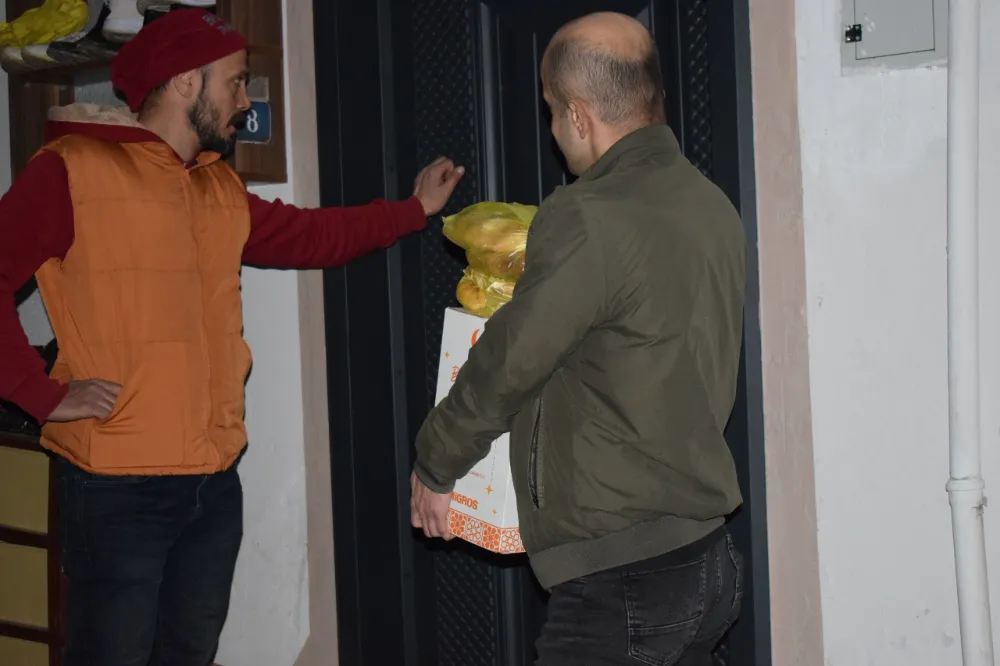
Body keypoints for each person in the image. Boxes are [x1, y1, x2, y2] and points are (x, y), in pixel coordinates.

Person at [0, 9, 463, 666]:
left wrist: (412, 211)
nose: (246, 101)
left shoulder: (217, 186)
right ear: (186, 81)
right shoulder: (70, 170)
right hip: (115, 486)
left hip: (213, 482)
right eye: (237, 81)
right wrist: (40, 395)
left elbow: (311, 236)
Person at [410, 11, 745, 666]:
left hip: (622, 574)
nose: (553, 129)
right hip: (706, 561)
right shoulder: (710, 204)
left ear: (578, 116)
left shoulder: (589, 215)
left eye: (550, 111)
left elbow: (512, 357)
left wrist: (437, 459)